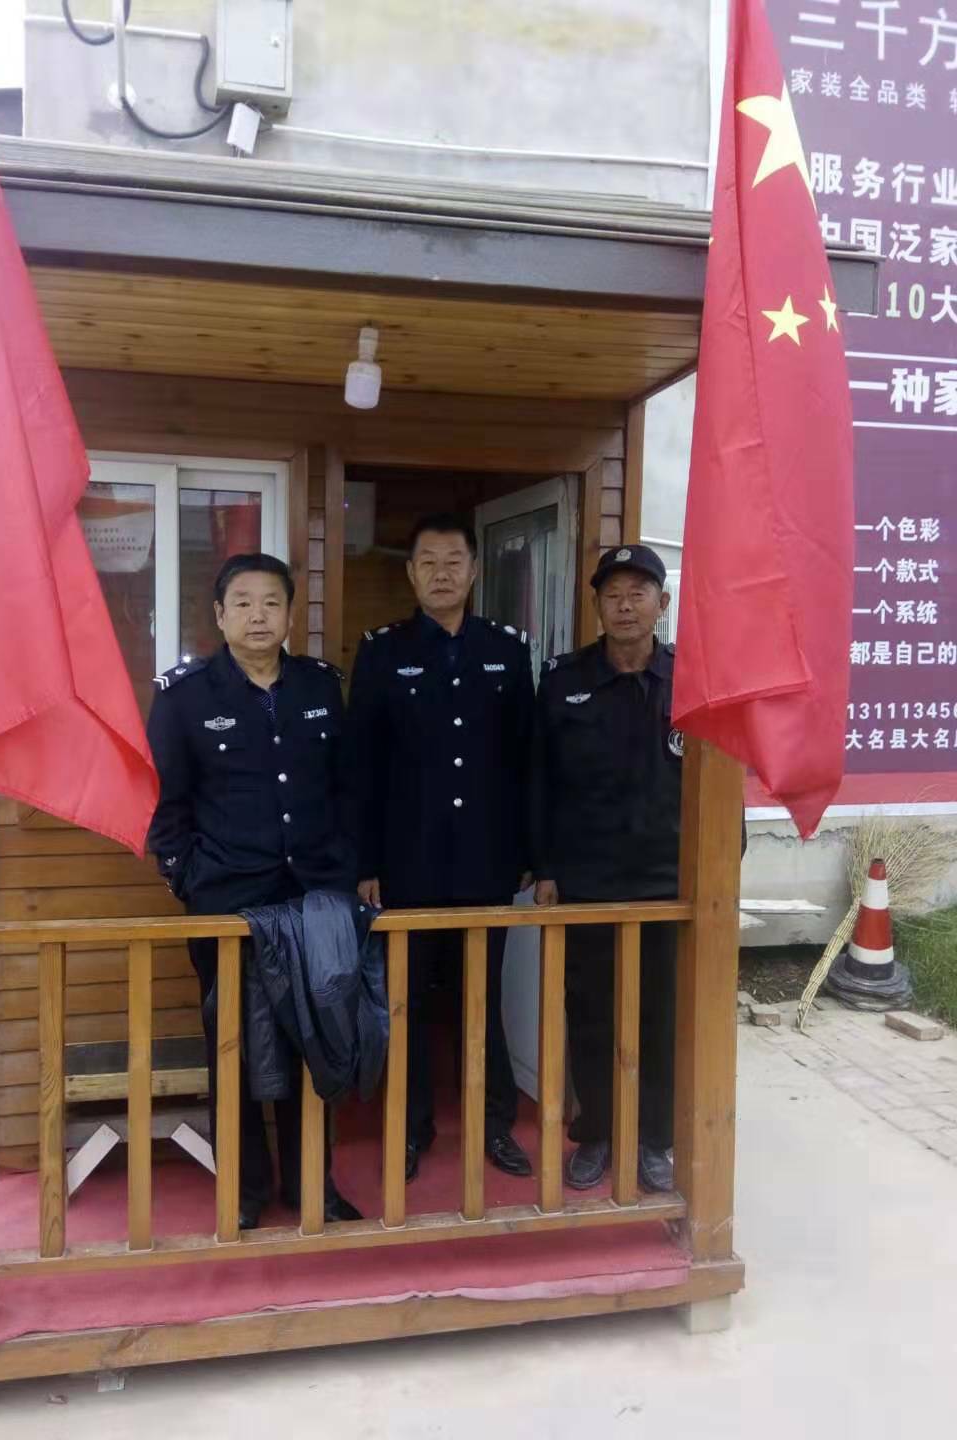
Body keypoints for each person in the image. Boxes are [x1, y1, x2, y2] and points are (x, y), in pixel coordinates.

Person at [146, 552, 361, 1229]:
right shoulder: (184, 696)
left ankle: (311, 1184)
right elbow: (166, 802)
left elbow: (346, 789)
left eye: (271, 602)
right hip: (227, 901)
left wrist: (346, 869)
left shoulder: (320, 686)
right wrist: (185, 877)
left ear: (291, 613)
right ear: (219, 615)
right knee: (231, 1043)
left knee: (313, 1035)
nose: (258, 615)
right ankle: (243, 1188)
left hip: (312, 897)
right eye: (242, 603)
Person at [345, 514, 535, 1181]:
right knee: (410, 1003)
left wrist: (529, 851)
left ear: (475, 570)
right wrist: (365, 862)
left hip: (486, 860)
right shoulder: (382, 651)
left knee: (481, 997)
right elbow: (360, 766)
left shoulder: (506, 650)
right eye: (428, 561)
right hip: (408, 862)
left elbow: (526, 759)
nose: (442, 573)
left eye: (454, 560)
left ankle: (494, 1124)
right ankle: (410, 1128)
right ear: (410, 573)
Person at [531, 543, 682, 1195]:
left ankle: (652, 1139)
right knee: (591, 1010)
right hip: (588, 878)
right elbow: (539, 780)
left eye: (637, 594)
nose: (625, 606)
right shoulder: (563, 681)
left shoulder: (691, 681)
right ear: (596, 605)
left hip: (667, 881)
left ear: (661, 604)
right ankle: (596, 1131)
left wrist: (719, 863)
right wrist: (544, 866)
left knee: (661, 1014)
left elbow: (719, 780)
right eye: (612, 595)